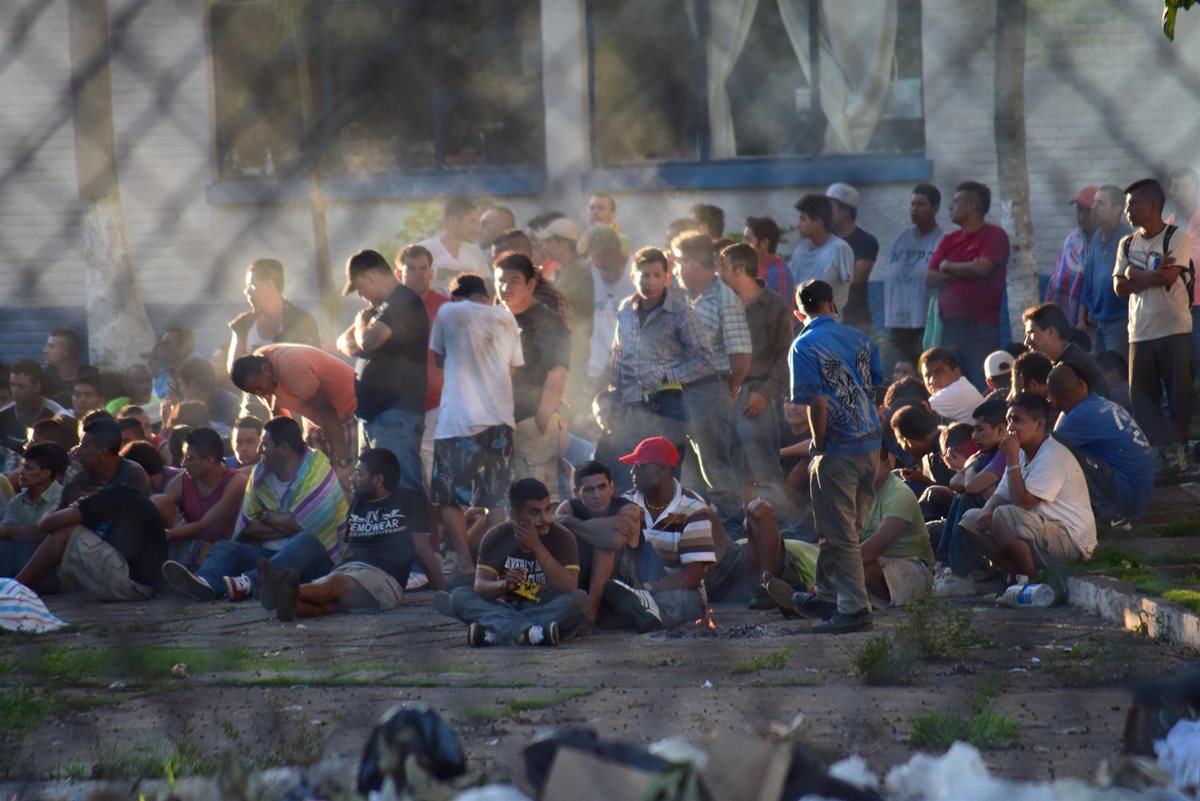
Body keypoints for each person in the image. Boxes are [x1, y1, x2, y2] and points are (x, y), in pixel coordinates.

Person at [617, 437, 808, 626]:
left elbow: (693, 575)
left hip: (737, 568)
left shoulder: (692, 507)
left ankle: (769, 587)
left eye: (641, 466)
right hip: (704, 586)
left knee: (759, 510)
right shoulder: (627, 502)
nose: (633, 471)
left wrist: (647, 588)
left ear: (663, 471)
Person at [161, 416, 347, 602]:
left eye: (265, 446)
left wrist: (265, 516)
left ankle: (248, 582)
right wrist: (286, 522)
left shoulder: (316, 466)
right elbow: (248, 526)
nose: (259, 451)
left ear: (283, 448)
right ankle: (205, 583)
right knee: (225, 547)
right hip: (268, 558)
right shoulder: (260, 475)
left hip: (314, 561)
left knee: (306, 540)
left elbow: (301, 527)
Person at [788, 279, 883, 633]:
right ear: (832, 304)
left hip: (838, 449)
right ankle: (827, 595)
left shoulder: (804, 345)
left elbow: (817, 402)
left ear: (799, 313)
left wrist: (820, 443)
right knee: (839, 528)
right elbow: (874, 389)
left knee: (840, 533)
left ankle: (856, 607)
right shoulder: (861, 339)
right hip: (871, 445)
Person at [257, 448, 436, 621]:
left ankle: (278, 590)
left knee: (336, 585)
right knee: (327, 604)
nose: (352, 478)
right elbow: (348, 547)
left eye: (359, 473)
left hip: (383, 577)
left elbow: (422, 549)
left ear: (378, 480)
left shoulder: (408, 500)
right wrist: (339, 567)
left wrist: (441, 589)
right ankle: (289, 605)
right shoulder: (359, 502)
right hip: (349, 569)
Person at [429, 273, 524, 579]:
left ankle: (466, 566)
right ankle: (495, 565)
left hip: (459, 421)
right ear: (485, 295)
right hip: (499, 420)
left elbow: (439, 358)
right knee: (496, 496)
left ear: (456, 296)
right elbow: (512, 367)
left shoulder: (449, 312)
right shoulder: (505, 318)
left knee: (449, 496)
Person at [608, 247, 714, 491]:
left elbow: (705, 358)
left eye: (657, 275)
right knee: (632, 472)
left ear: (667, 277)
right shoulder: (625, 308)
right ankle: (639, 524)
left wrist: (667, 375)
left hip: (668, 402)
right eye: (644, 275)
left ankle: (669, 523)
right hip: (632, 403)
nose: (650, 282)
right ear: (633, 278)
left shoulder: (681, 312)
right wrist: (614, 392)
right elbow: (617, 352)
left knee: (664, 474)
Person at [434, 478, 588, 646]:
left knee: (579, 599)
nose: (544, 518)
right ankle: (530, 633)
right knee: (460, 596)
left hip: (547, 607)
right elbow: (480, 586)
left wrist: (537, 547)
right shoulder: (497, 536)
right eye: (534, 512)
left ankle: (496, 633)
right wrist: (503, 585)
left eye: (547, 510)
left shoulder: (562, 537)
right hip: (510, 607)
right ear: (515, 515)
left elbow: (569, 585)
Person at [958, 393, 1095, 577]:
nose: (1010, 428)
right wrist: (988, 508)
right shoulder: (1022, 452)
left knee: (1004, 516)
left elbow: (1023, 503)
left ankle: (1030, 581)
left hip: (1071, 542)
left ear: (1039, 424)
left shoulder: (1052, 455)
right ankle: (1015, 575)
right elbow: (1002, 493)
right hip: (1037, 532)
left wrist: (1012, 459)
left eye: (1017, 421)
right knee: (970, 520)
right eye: (1008, 421)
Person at [672, 232, 750, 530]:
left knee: (715, 468)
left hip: (708, 389)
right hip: (683, 392)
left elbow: (740, 354)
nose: (676, 270)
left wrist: (728, 388)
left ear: (691, 263)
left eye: (678, 262)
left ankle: (735, 530)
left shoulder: (723, 298)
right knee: (690, 469)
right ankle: (699, 529)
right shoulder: (686, 296)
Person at [336, 249, 429, 492]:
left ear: (370, 277)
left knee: (402, 486)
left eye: (359, 287)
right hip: (373, 415)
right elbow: (343, 342)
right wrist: (361, 329)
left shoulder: (403, 301)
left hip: (396, 412)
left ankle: (415, 530)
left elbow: (368, 341)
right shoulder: (378, 310)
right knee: (370, 490)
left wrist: (360, 323)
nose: (360, 295)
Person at [1115, 178, 1194, 462]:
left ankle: (1180, 452)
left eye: (1133, 203)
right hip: (1140, 332)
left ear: (1153, 205)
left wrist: (1134, 275)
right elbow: (1119, 288)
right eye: (1127, 205)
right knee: (1143, 399)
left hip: (1174, 329)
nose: (1128, 210)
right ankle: (1157, 455)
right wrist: (1147, 276)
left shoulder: (1176, 237)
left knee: (1179, 395)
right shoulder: (1126, 244)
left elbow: (1169, 277)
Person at [718, 243, 792, 517]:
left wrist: (765, 393)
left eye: (724, 268)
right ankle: (742, 528)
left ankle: (784, 531)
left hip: (757, 393)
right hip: (728, 394)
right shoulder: (722, 303)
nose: (719, 274)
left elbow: (786, 355)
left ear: (740, 270)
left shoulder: (773, 305)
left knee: (765, 470)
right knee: (733, 467)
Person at [495, 252, 570, 501]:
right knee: (505, 501)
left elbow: (557, 374)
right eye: (500, 281)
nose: (505, 287)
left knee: (539, 501)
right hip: (499, 423)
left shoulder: (547, 322)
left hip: (532, 422)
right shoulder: (496, 318)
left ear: (531, 284)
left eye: (514, 281)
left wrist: (541, 421)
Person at [924, 182, 1011, 391]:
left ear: (971, 205)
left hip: (980, 327)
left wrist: (947, 266)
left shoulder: (994, 235)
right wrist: (964, 271)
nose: (950, 207)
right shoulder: (949, 239)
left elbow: (982, 268)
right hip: (950, 326)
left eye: (955, 202)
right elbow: (929, 277)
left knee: (981, 384)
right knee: (951, 386)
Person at [1047, 365, 1153, 525]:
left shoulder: (1080, 416)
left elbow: (1045, 451)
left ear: (1054, 401)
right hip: (1141, 490)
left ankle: (1112, 516)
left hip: (1130, 497)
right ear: (1083, 385)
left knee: (1063, 453)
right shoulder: (1102, 403)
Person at [230, 344, 358, 477]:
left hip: (349, 410)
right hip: (317, 421)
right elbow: (281, 422)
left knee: (346, 479)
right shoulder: (260, 368)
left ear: (265, 370)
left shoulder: (292, 368)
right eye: (253, 392)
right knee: (313, 476)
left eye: (258, 387)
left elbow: (329, 414)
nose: (260, 394)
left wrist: (344, 462)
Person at [931, 398, 1010, 597]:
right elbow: (955, 482)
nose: (974, 435)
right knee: (961, 497)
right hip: (990, 510)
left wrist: (970, 471)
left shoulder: (1004, 454)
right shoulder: (986, 455)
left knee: (966, 498)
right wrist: (971, 470)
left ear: (1001, 430)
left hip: (1009, 513)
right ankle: (949, 565)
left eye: (980, 429)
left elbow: (970, 485)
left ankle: (960, 575)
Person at [552, 460, 642, 623]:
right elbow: (554, 527)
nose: (596, 495)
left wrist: (572, 523)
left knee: (604, 545)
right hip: (581, 583)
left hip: (623, 587)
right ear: (576, 492)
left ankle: (590, 616)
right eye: (588, 489)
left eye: (602, 487)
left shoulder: (628, 509)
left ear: (611, 487)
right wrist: (605, 522)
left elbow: (613, 541)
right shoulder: (569, 508)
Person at [396, 244, 450, 489]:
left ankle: (437, 525)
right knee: (404, 470)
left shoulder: (446, 307)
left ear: (431, 272)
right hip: (400, 403)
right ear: (399, 273)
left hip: (437, 402)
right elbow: (351, 339)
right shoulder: (389, 305)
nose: (418, 273)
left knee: (433, 471)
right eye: (411, 268)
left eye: (423, 268)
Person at [161, 427, 248, 570]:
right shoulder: (183, 480)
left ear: (208, 461)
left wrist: (164, 535)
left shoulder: (236, 481)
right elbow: (160, 506)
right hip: (189, 544)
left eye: (189, 458)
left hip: (221, 550)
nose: (183, 464)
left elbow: (204, 526)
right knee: (160, 501)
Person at [572, 227, 635, 408]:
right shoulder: (587, 273)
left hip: (627, 371)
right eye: (600, 267)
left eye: (609, 266)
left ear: (620, 254)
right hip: (592, 368)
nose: (606, 275)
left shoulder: (636, 274)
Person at [884, 183, 944, 373]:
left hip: (923, 324)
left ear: (934, 209)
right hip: (897, 323)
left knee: (919, 373)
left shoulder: (940, 240)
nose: (914, 209)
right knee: (888, 371)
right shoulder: (902, 237)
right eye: (912, 204)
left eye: (921, 204)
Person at [226, 258, 321, 372]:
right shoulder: (243, 324)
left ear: (270, 285)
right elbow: (234, 369)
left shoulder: (301, 322)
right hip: (254, 390)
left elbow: (314, 364)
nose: (246, 291)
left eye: (251, 285)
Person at [0, 443, 69, 583]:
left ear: (46, 473)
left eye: (28, 468)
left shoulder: (63, 497)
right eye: (23, 466)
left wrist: (9, 532)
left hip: (50, 572)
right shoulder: (17, 501)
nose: (21, 472)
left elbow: (44, 535)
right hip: (17, 563)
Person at [1080, 185, 1133, 356]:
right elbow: (1088, 281)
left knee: (1116, 373)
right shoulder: (1096, 237)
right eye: (1094, 203)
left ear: (1117, 209)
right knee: (1102, 372)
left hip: (1120, 320)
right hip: (1098, 321)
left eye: (1100, 204)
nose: (1094, 208)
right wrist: (1081, 318)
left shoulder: (1127, 238)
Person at [1021, 303, 1109, 398]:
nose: (1026, 342)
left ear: (1051, 332)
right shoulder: (1068, 357)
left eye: (1031, 333)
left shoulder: (1070, 367)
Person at [59, 418, 151, 507]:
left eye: (84, 446)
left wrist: (93, 500)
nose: (78, 452)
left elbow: (128, 512)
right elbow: (58, 516)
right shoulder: (78, 482)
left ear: (102, 452)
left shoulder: (133, 475)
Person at [826, 183, 880, 332]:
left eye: (830, 206)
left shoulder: (865, 241)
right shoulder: (826, 241)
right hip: (829, 321)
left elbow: (858, 277)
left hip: (856, 322)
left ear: (845, 210)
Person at [1044, 187, 1098, 328]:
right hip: (1066, 320)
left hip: (1096, 321)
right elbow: (1057, 280)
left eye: (1087, 211)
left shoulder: (1108, 241)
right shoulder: (1072, 240)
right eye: (1079, 210)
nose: (1082, 216)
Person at [788, 195, 854, 311]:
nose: (798, 225)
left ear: (818, 222)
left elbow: (845, 288)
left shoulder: (839, 249)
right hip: (801, 323)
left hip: (830, 323)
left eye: (803, 219)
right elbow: (789, 288)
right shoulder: (800, 252)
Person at [0, 361, 66, 469]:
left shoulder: (58, 416)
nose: (15, 391)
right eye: (13, 385)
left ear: (37, 387)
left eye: (21, 386)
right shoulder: (3, 416)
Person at [419, 197, 488, 294]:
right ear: (452, 221)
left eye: (478, 222)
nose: (477, 228)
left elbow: (484, 291)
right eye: (472, 221)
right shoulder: (425, 250)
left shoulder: (476, 253)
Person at [1167, 167, 1200, 348]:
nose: (1179, 192)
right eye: (1175, 187)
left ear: (1196, 189)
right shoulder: (1166, 227)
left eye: (1185, 187)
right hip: (1173, 309)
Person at [919, 348, 985, 424]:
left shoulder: (955, 391)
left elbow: (915, 413)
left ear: (957, 373)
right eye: (928, 375)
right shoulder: (963, 385)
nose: (932, 380)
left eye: (939, 372)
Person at [743, 216, 793, 303]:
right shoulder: (753, 266)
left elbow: (779, 313)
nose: (742, 243)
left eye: (748, 239)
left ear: (764, 243)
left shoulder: (778, 274)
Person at [41, 328, 85, 408]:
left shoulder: (90, 376)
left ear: (67, 352)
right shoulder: (42, 376)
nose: (45, 351)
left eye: (51, 347)